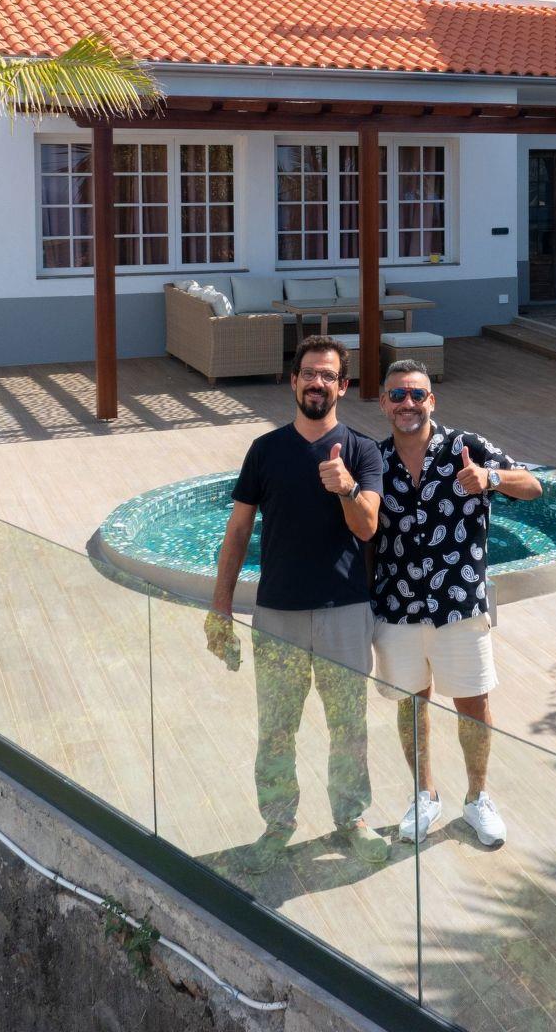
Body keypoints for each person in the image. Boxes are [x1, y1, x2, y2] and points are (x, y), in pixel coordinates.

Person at [206, 335, 389, 871]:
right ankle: (277, 824)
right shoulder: (265, 450)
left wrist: (346, 488)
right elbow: (238, 531)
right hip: (278, 614)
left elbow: (368, 527)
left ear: (343, 386)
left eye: (328, 375)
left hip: (343, 613)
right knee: (277, 727)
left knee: (348, 725)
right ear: (293, 381)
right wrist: (220, 607)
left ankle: (351, 819)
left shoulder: (362, 451)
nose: (317, 383)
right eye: (309, 373)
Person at [369, 358, 541, 850]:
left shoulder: (467, 447)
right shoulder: (373, 460)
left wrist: (490, 479)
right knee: (411, 704)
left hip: (459, 606)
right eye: (397, 395)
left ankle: (477, 797)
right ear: (383, 403)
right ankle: (424, 795)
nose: (407, 403)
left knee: (474, 703)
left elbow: (533, 486)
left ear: (432, 400)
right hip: (397, 606)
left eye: (416, 394)